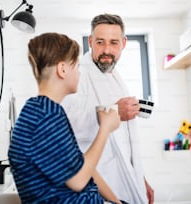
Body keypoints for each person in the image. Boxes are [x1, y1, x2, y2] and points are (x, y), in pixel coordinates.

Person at [8, 32, 123, 203]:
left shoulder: (41, 110)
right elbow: (78, 180)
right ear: (62, 70)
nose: (79, 73)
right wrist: (105, 128)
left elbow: (82, 166)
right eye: (76, 66)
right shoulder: (46, 116)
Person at [62, 14, 154, 204]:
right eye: (100, 42)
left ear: (123, 43)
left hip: (126, 185)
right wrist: (114, 112)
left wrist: (139, 178)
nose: (106, 50)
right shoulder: (77, 73)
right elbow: (67, 124)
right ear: (90, 41)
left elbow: (125, 142)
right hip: (99, 188)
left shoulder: (115, 77)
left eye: (113, 43)